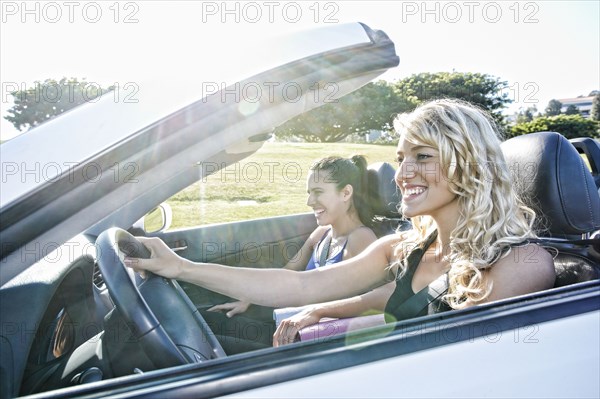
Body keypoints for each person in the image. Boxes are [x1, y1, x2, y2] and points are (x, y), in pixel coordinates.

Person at [126, 99, 556, 349]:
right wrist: (180, 269)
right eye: (400, 158)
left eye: (422, 156)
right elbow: (299, 286)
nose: (403, 173)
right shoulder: (404, 248)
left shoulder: (522, 262)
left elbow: (443, 351)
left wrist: (328, 329)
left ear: (470, 166)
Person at [198, 155, 379, 351]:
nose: (310, 201)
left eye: (318, 192)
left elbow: (355, 303)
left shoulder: (361, 239)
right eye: (309, 192)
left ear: (345, 193)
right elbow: (289, 273)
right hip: (291, 323)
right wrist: (249, 298)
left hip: (314, 339)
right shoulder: (321, 234)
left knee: (210, 346)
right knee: (208, 321)